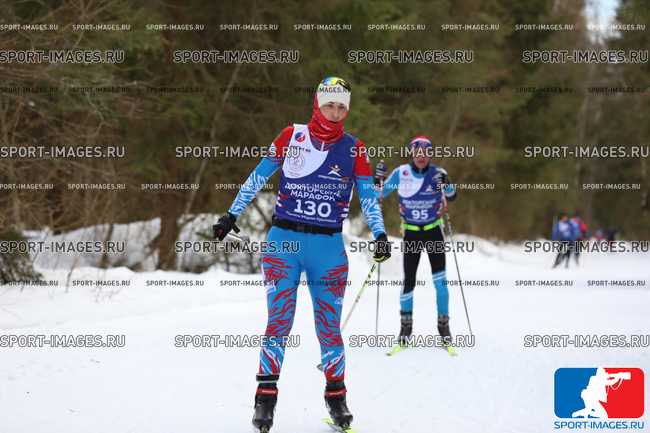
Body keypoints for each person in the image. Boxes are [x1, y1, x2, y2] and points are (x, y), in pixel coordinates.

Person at [213, 77, 391, 432]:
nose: (335, 112)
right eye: (329, 105)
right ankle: (265, 399)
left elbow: (369, 198)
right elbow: (257, 177)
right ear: (317, 104)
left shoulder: (355, 149)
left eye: (341, 107)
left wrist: (381, 233)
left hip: (328, 248)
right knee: (279, 322)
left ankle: (336, 399)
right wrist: (231, 215)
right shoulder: (290, 136)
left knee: (329, 328)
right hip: (284, 243)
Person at [379, 136, 457, 347]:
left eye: (426, 153)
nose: (421, 157)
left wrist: (447, 184)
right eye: (418, 153)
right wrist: (378, 179)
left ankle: (443, 326)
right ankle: (406, 327)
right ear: (412, 154)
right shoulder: (401, 173)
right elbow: (379, 194)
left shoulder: (438, 173)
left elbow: (452, 196)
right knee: (409, 281)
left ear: (430, 154)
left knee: (440, 281)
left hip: (433, 232)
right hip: (412, 233)